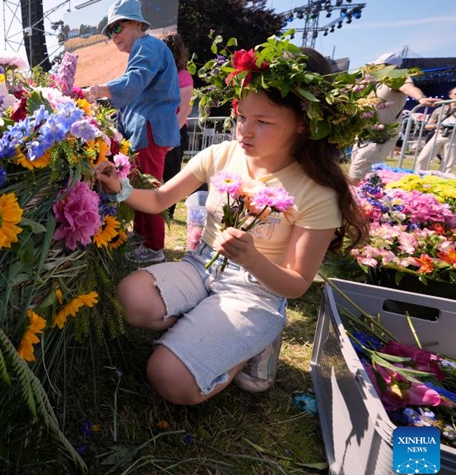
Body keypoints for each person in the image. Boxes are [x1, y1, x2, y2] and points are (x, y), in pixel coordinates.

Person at [94, 40, 373, 406]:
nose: (244, 132)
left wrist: (253, 259)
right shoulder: (222, 154)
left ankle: (258, 343)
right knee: (131, 298)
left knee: (167, 377)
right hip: (201, 266)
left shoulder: (316, 192)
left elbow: (296, 284)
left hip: (257, 290)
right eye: (242, 116)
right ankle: (208, 325)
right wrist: (120, 187)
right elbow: (160, 199)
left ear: (304, 124)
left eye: (263, 122)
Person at [86, 0, 179, 263]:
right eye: (110, 31)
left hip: (150, 130)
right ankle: (143, 241)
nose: (114, 36)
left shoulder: (147, 47)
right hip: (144, 131)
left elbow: (134, 81)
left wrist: (96, 91)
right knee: (138, 188)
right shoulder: (143, 48)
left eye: (119, 27)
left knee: (149, 191)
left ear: (138, 24)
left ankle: (153, 248)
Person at [347, 52, 437, 183]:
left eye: (379, 66)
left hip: (381, 135)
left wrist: (420, 98)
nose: (375, 68)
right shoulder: (374, 81)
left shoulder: (397, 78)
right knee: (364, 172)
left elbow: (407, 87)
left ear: (390, 67)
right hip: (364, 133)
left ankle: (351, 200)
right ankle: (367, 198)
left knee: (357, 172)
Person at [160, 32, 195, 219]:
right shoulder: (158, 75)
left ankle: (168, 215)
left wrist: (171, 136)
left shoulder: (183, 76)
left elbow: (185, 110)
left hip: (176, 130)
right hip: (158, 130)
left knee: (171, 176)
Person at [413, 86, 456, 173]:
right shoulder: (440, 109)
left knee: (448, 163)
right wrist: (438, 126)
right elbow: (428, 125)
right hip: (438, 135)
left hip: (454, 137)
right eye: (455, 94)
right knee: (423, 158)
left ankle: (442, 180)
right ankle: (418, 175)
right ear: (451, 95)